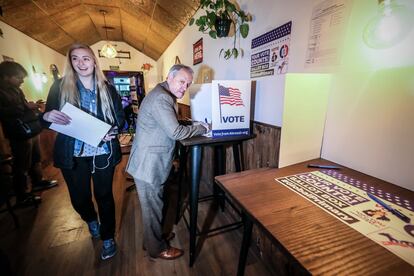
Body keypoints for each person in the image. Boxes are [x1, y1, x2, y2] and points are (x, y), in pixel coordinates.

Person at [41, 43, 125, 260]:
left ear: (94, 61)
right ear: (70, 62)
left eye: (86, 58)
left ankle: (107, 237)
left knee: (105, 196)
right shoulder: (59, 87)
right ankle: (90, 219)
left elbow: (120, 120)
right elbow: (47, 119)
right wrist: (46, 116)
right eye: (76, 58)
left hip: (102, 153)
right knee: (79, 199)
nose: (81, 63)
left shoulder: (108, 88)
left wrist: (113, 130)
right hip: (73, 154)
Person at [126, 64, 210, 260]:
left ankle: (153, 239)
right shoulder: (162, 98)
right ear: (170, 78)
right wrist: (203, 128)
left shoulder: (161, 93)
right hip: (149, 165)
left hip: (148, 162)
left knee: (154, 207)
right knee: (152, 210)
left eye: (188, 84)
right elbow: (175, 132)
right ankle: (156, 249)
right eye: (182, 82)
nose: (184, 87)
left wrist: (189, 124)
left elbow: (167, 124)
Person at [0, 61, 57, 207]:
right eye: (18, 77)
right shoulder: (2, 91)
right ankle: (22, 195)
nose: (21, 80)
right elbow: (8, 111)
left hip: (30, 129)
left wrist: (27, 105)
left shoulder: (16, 90)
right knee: (22, 165)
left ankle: (37, 182)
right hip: (18, 132)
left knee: (35, 158)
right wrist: (27, 106)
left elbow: (21, 105)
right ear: (7, 76)